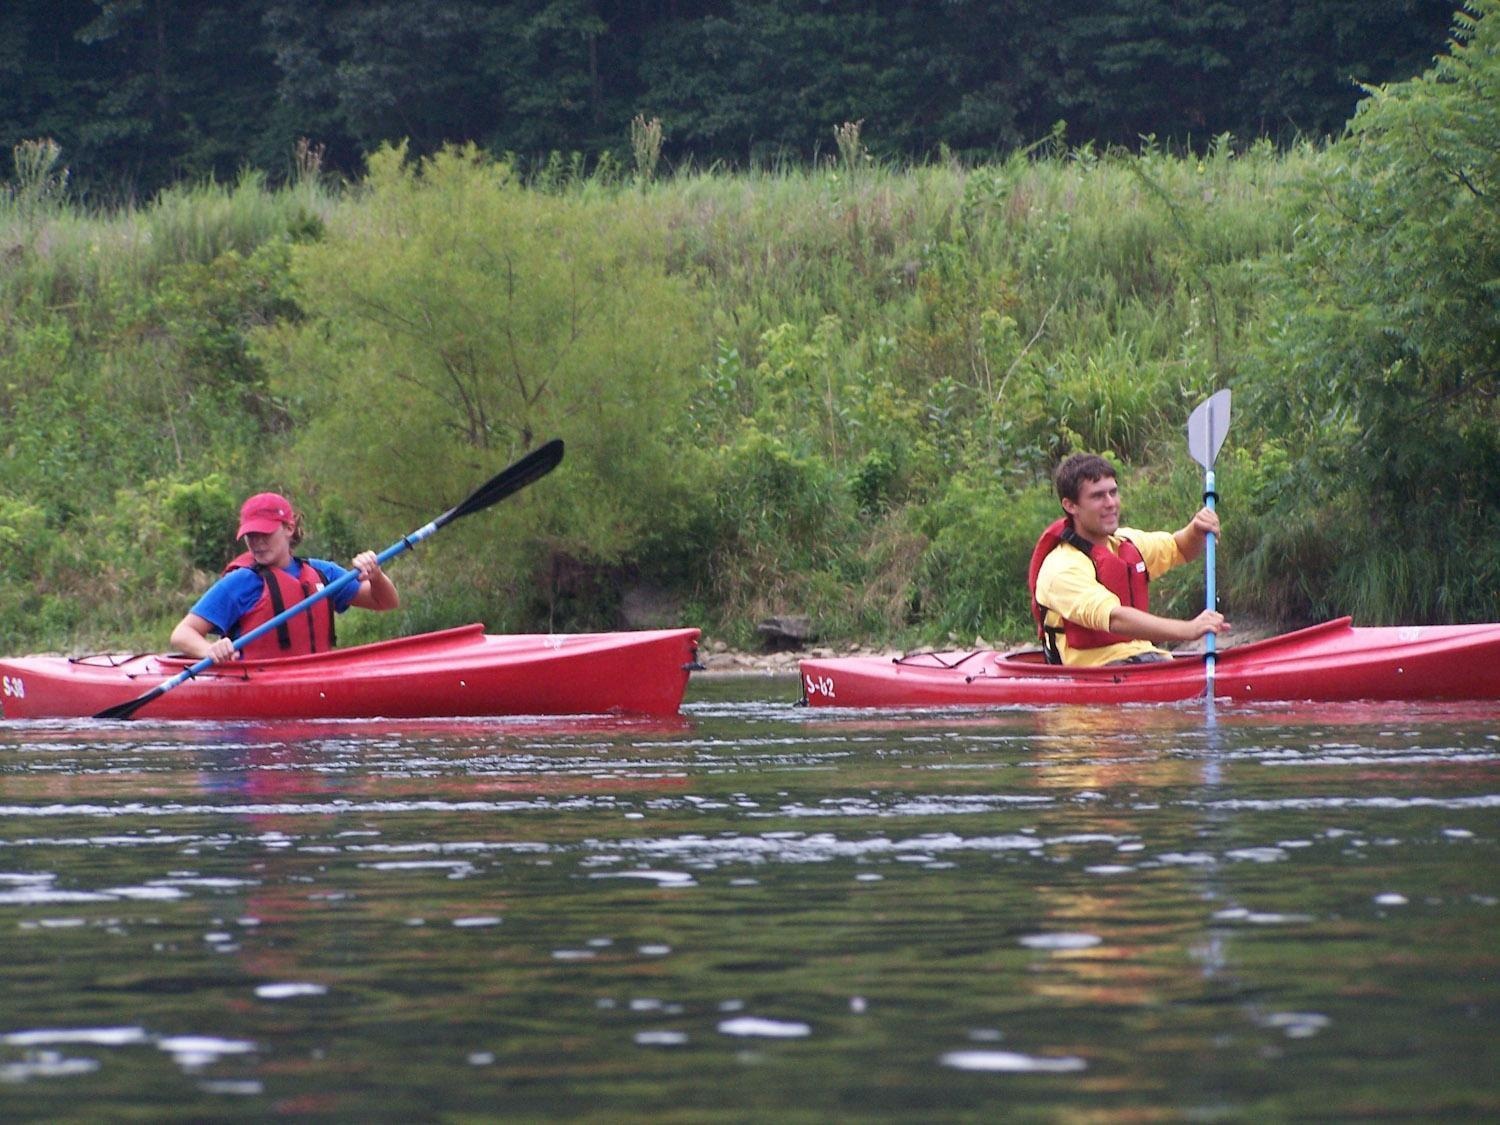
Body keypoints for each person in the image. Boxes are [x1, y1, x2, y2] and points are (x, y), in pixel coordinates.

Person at [1028, 453, 1229, 667]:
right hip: (1096, 671)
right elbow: (1114, 618)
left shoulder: (1127, 543)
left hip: (1141, 659)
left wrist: (1196, 530)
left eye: (1113, 492)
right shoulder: (1062, 568)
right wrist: (1188, 630)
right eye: (1097, 496)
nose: (1110, 503)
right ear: (1071, 506)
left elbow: (1180, 548)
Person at [170, 492, 398, 663]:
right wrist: (209, 649)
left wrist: (376, 575)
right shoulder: (240, 582)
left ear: (289, 529)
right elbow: (182, 634)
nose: (257, 542)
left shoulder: (323, 573)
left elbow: (385, 602)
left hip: (318, 676)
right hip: (257, 683)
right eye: (251, 535)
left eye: (265, 534)